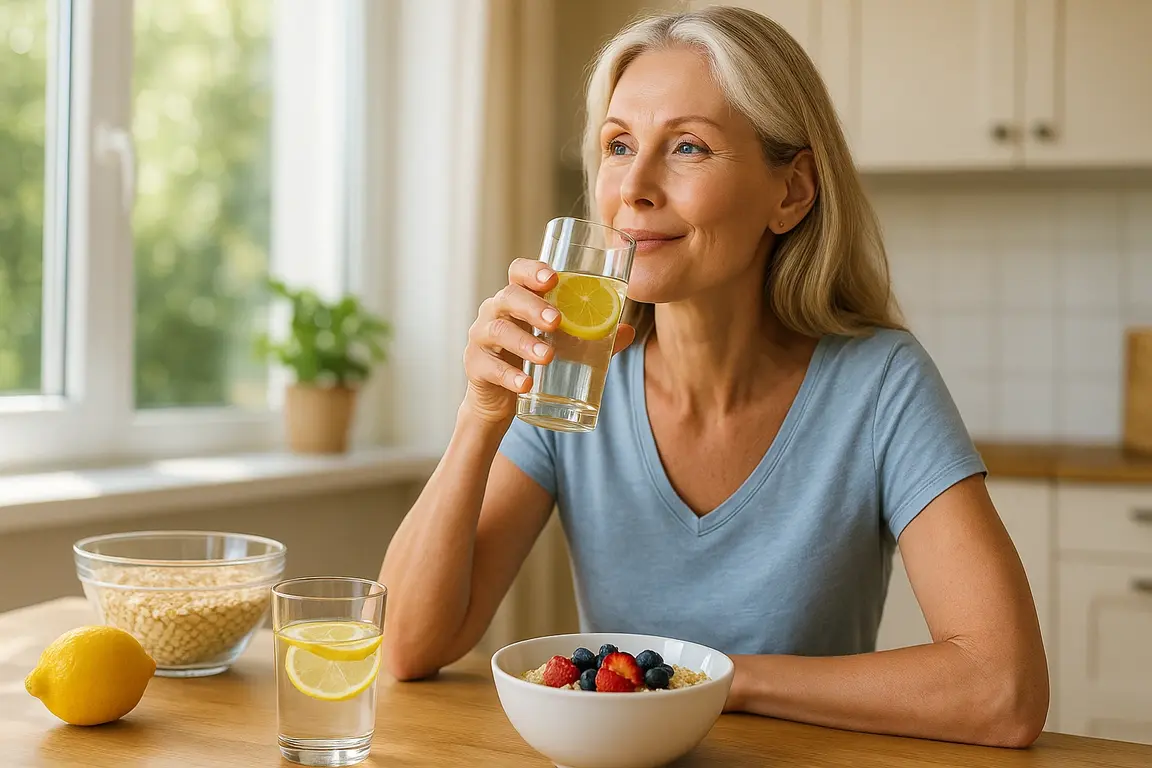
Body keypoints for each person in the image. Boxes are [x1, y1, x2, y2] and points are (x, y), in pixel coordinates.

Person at [379, 5, 1049, 748]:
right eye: (619, 144)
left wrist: (713, 679)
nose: (633, 186)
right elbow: (408, 646)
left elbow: (1004, 689)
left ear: (790, 192)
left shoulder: (880, 385)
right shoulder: (575, 375)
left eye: (688, 146)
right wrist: (480, 414)